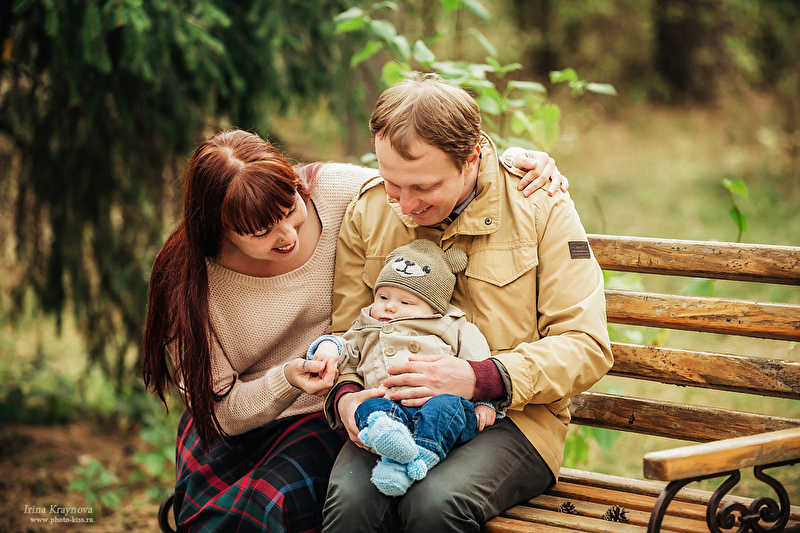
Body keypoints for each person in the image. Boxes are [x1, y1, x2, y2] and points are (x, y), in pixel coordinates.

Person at [140, 128, 567, 532]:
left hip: (330, 412)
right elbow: (220, 411)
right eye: (260, 232)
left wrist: (510, 164)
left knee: (274, 502)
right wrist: (286, 379)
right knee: (225, 518)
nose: (287, 234)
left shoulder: (335, 191)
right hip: (238, 426)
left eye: (291, 210)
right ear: (218, 230)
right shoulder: (187, 281)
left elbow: (429, 179)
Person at [322, 74, 614, 533]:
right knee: (351, 505)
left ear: (473, 156)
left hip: (513, 421)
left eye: (424, 188)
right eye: (393, 184)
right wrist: (343, 397)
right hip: (388, 409)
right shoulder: (371, 210)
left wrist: (480, 377)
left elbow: (585, 344)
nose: (405, 205)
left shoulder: (541, 205)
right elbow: (345, 336)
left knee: (435, 505)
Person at [307, 239, 503, 497]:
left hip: (437, 406)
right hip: (390, 407)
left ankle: (414, 457)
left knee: (449, 407)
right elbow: (345, 347)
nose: (389, 306)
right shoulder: (367, 326)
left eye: (406, 302)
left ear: (433, 308)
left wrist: (485, 403)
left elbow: (478, 363)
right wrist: (328, 349)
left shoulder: (450, 325)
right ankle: (393, 448)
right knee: (366, 408)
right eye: (383, 297)